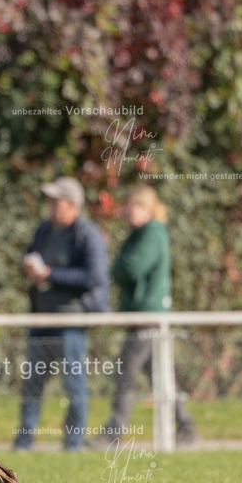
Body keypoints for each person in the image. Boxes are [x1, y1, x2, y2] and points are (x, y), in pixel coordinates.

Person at [95, 185, 198, 445]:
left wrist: (118, 268)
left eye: (133, 205)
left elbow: (128, 269)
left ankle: (114, 433)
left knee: (125, 372)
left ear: (147, 208)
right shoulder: (138, 234)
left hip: (147, 316)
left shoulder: (152, 234)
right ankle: (186, 426)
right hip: (140, 315)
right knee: (161, 376)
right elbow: (121, 268)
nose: (127, 211)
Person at [15, 176, 108, 451]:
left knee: (74, 386)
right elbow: (31, 255)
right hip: (41, 319)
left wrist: (51, 275)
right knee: (32, 384)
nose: (51, 205)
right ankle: (24, 442)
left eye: (56, 201)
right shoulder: (44, 229)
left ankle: (73, 444)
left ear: (72, 205)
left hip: (71, 322)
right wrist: (29, 268)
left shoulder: (87, 234)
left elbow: (94, 276)